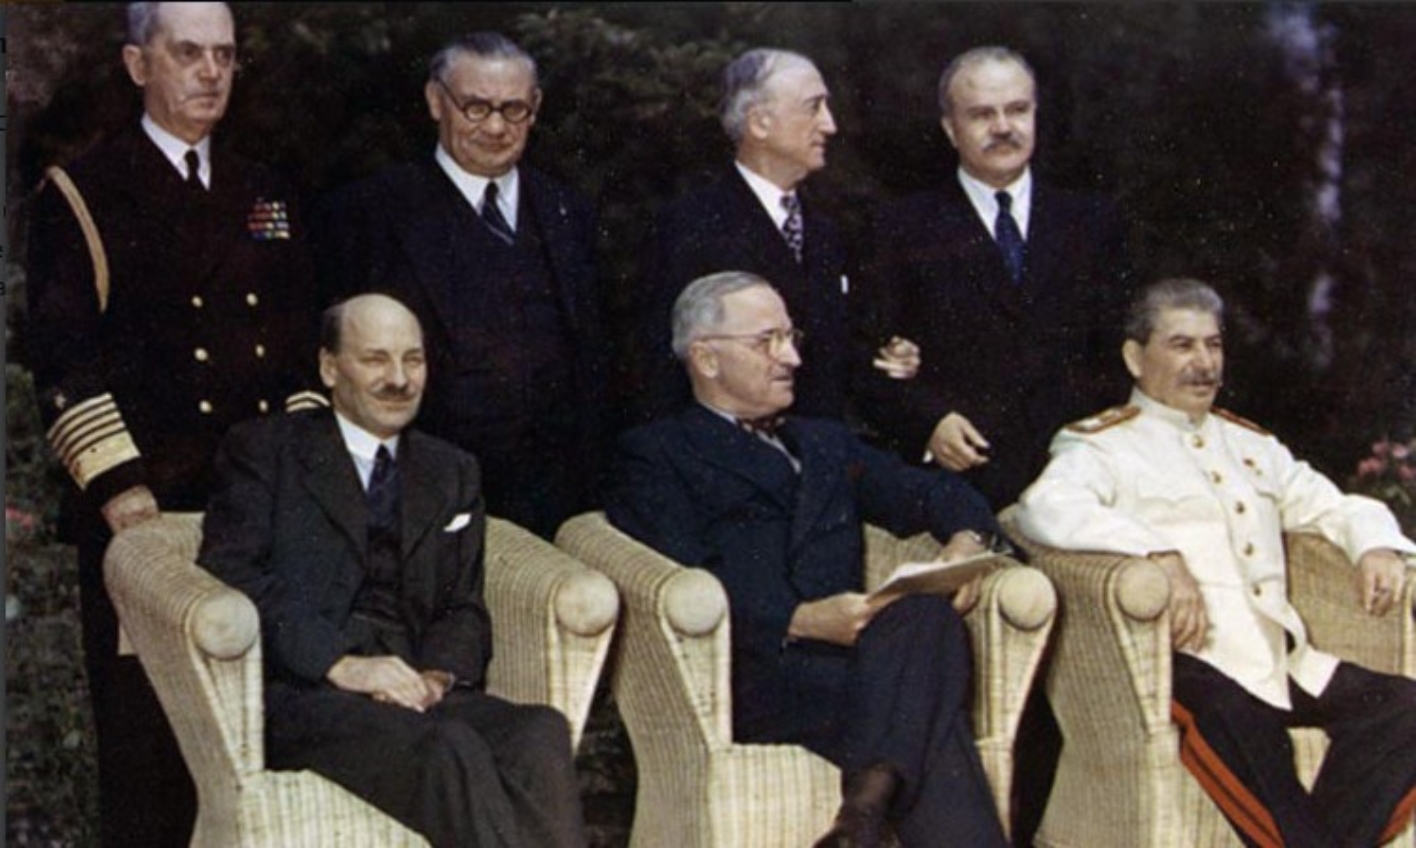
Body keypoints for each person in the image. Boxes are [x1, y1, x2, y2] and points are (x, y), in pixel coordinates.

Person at [24, 4, 320, 843]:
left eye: (224, 55)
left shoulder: (266, 191)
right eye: (187, 53)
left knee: (260, 745)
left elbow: (300, 352)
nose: (210, 73)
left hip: (262, 509)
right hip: (148, 510)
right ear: (135, 64)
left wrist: (300, 478)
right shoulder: (83, 194)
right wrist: (122, 496)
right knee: (148, 750)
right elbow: (64, 361)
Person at [607, 271, 1010, 848]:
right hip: (761, 669)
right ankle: (867, 807)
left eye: (791, 337)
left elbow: (935, 492)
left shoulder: (824, 441)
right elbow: (676, 573)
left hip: (867, 660)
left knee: (927, 617)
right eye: (766, 341)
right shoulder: (657, 453)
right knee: (930, 710)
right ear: (706, 358)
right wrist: (797, 620)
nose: (791, 357)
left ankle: (861, 815)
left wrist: (966, 541)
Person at [1016, 277, 1416, 848]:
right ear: (1135, 357)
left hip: (1274, 659)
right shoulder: (1102, 446)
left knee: (1405, 708)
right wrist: (1154, 551)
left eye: (1214, 345)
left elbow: (1331, 504)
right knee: (1234, 717)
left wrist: (1374, 543)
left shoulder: (1251, 444)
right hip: (1179, 659)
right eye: (1182, 345)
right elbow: (1043, 507)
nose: (1204, 363)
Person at [198, 294, 587, 848]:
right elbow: (231, 573)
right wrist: (342, 664)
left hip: (415, 689)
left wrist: (434, 678)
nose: (399, 379)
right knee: (449, 749)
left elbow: (462, 603)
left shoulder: (451, 470)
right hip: (307, 694)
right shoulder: (267, 451)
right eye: (376, 360)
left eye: (415, 360)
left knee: (539, 732)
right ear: (330, 368)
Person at [314, 32, 606, 540]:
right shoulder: (368, 214)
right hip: (426, 505)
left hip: (561, 502)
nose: (495, 127)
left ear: (535, 109)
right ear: (435, 101)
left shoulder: (569, 212)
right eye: (475, 107)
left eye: (513, 109)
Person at [855, 45, 1132, 509]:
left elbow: (1119, 355)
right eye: (982, 114)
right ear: (950, 128)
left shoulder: (1095, 223)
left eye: (1018, 110)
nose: (1003, 127)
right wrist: (929, 423)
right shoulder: (896, 229)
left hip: (1080, 486)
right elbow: (867, 358)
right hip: (964, 486)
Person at [635, 48, 917, 424]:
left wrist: (890, 360)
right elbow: (660, 374)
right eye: (813, 107)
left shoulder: (829, 229)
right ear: (760, 123)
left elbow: (839, 356)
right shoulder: (690, 228)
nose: (830, 125)